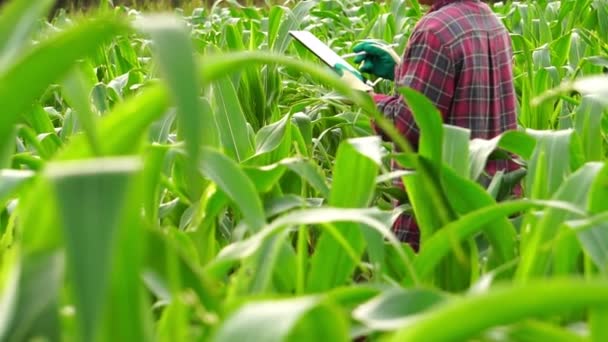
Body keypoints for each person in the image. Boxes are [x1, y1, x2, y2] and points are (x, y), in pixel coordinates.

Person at [351, 0, 519, 251]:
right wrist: (402, 70)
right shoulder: (489, 20)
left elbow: (408, 126)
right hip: (489, 206)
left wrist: (357, 93)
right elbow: (459, 88)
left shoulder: (434, 32)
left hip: (440, 215)